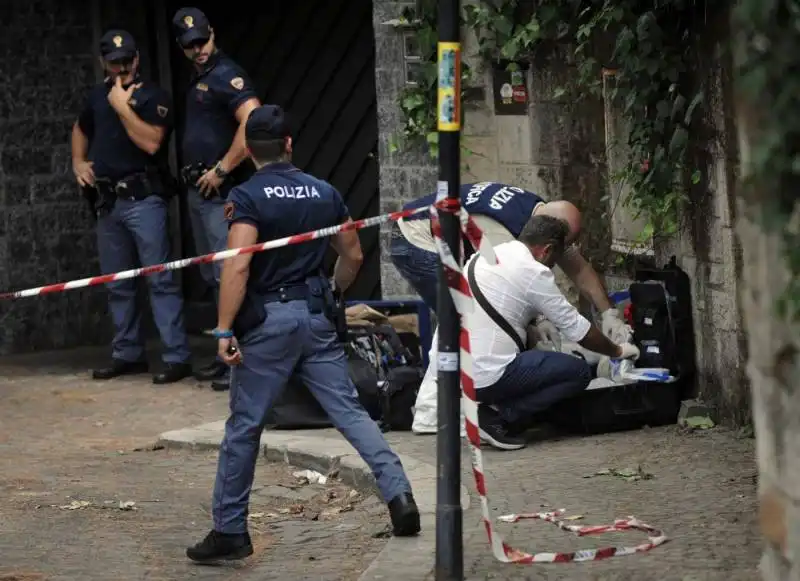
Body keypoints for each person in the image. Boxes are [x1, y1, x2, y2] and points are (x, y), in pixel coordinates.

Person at [186, 105, 420, 563]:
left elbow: (239, 264)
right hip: (315, 317)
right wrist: (332, 290)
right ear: (290, 144)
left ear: (249, 150)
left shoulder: (247, 196)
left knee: (244, 426)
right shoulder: (324, 193)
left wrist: (223, 329)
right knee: (350, 413)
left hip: (268, 324)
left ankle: (230, 530)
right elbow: (352, 256)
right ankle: (401, 498)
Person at [390, 181, 632, 434]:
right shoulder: (500, 233)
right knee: (458, 317)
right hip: (417, 239)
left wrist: (609, 314)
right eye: (559, 250)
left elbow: (579, 269)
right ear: (549, 241)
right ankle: (434, 413)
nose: (556, 261)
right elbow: (506, 289)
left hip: (431, 228)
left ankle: (477, 400)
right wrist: (540, 321)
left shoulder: (540, 213)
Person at [71, 29, 192, 384]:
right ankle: (127, 353)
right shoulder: (97, 96)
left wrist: (122, 108)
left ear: (137, 59)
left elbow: (152, 143)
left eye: (127, 62)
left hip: (144, 200)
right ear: (103, 64)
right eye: (114, 64)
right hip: (109, 203)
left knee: (160, 280)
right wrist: (78, 162)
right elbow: (80, 128)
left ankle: (176, 356)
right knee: (118, 284)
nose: (121, 70)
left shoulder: (154, 96)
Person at [466, 215, 641, 450]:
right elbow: (577, 329)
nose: (551, 267)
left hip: (456, 370)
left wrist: (538, 319)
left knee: (543, 358)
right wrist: (618, 350)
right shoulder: (533, 271)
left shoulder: (486, 256)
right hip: (486, 375)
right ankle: (499, 418)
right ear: (547, 250)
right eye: (554, 260)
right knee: (577, 372)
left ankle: (490, 410)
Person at [172, 7, 261, 391]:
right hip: (201, 192)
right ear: (181, 46)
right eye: (190, 45)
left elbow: (253, 121)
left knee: (230, 273)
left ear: (213, 34)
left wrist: (223, 168)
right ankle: (226, 350)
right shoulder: (199, 77)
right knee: (214, 276)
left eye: (203, 41)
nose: (198, 49)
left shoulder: (227, 75)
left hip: (222, 191)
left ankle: (239, 357)